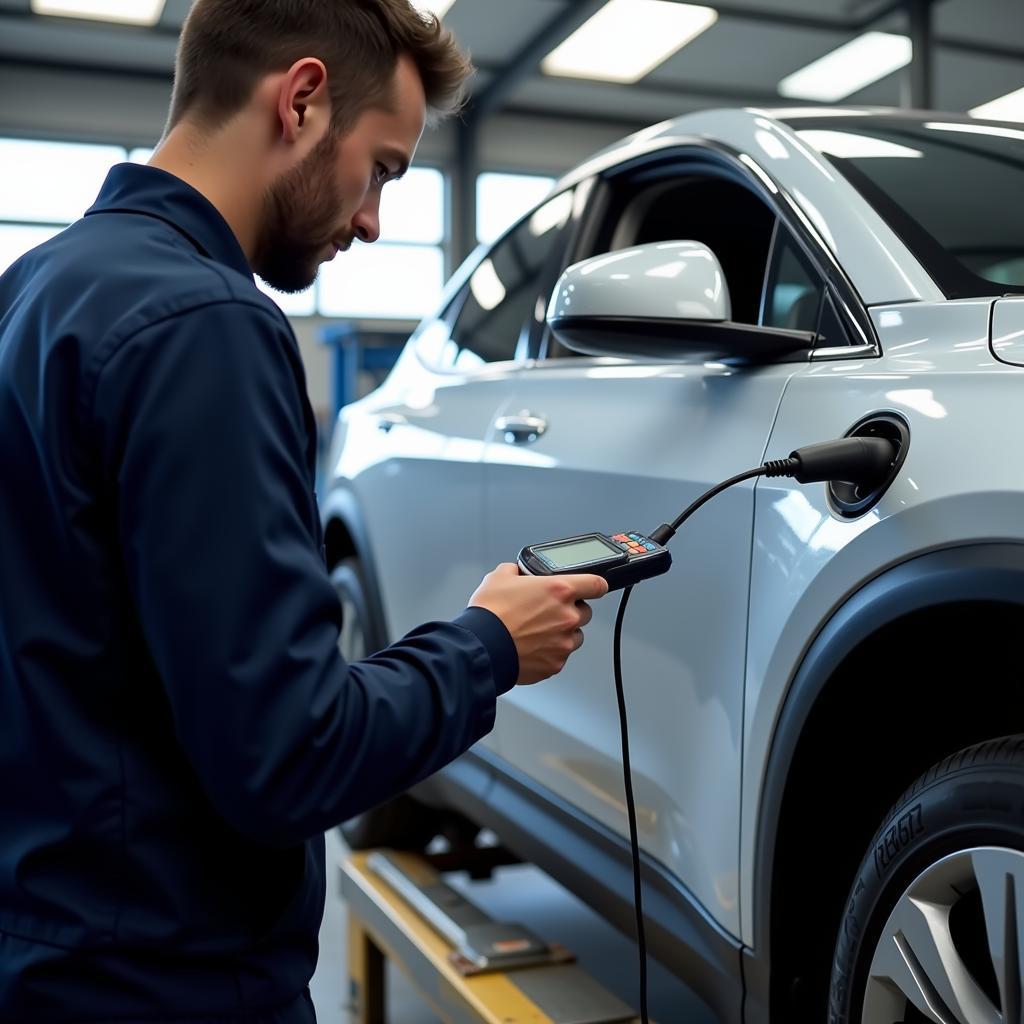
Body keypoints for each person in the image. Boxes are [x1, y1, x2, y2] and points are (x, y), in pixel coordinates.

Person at [0, 1, 607, 1020]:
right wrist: (486, 645)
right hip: (164, 981)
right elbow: (288, 757)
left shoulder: (37, 288)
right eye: (383, 168)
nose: (371, 218)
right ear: (303, 100)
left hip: (49, 943)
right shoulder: (209, 326)